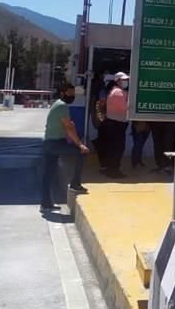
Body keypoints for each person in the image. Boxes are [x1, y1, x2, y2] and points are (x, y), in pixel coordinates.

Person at [40, 82, 89, 213]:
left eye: (73, 93)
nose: (72, 95)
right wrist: (80, 144)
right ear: (62, 92)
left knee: (48, 174)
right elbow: (69, 128)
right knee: (81, 153)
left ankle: (45, 204)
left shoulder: (57, 104)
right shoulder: (62, 106)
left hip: (48, 143)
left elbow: (66, 126)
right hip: (55, 143)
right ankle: (75, 184)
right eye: (70, 93)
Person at [100, 72, 130, 177]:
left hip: (114, 123)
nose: (126, 82)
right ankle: (114, 170)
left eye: (126, 80)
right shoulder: (118, 92)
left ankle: (111, 168)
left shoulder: (116, 91)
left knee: (113, 147)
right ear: (117, 81)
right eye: (123, 80)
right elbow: (126, 108)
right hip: (116, 124)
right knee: (117, 148)